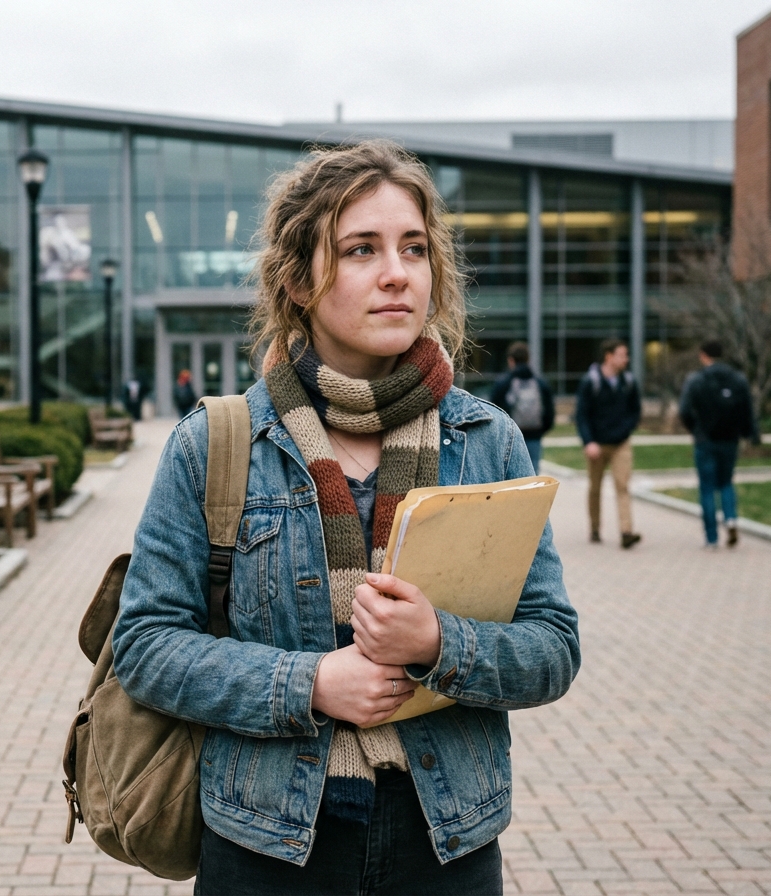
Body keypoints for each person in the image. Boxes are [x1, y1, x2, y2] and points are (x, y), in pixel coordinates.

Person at [112, 142, 579, 895]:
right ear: (297, 279)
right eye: (360, 249)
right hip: (266, 842)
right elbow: (144, 644)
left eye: (414, 248)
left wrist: (436, 642)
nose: (397, 273)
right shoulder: (219, 442)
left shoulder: (488, 441)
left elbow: (553, 648)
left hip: (445, 839)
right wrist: (310, 682)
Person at [679, 339, 759, 548]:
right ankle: (731, 518)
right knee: (726, 482)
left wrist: (695, 429)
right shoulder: (738, 379)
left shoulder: (696, 380)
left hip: (705, 439)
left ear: (704, 355)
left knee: (707, 487)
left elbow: (685, 411)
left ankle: (711, 536)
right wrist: (747, 432)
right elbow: (747, 410)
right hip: (729, 439)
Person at [575, 339, 642, 549]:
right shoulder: (591, 382)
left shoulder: (629, 382)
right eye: (622, 355)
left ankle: (626, 532)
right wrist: (589, 442)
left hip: (621, 443)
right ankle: (595, 528)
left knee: (623, 486)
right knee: (595, 488)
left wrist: (625, 430)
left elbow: (635, 412)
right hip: (596, 445)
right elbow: (581, 415)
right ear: (609, 356)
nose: (626, 359)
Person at [490, 341, 554, 472]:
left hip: (510, 435)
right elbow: (550, 412)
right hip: (534, 435)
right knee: (533, 472)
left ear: (511, 360)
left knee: (510, 474)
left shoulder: (503, 384)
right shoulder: (540, 383)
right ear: (528, 359)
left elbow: (494, 410)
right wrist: (540, 430)